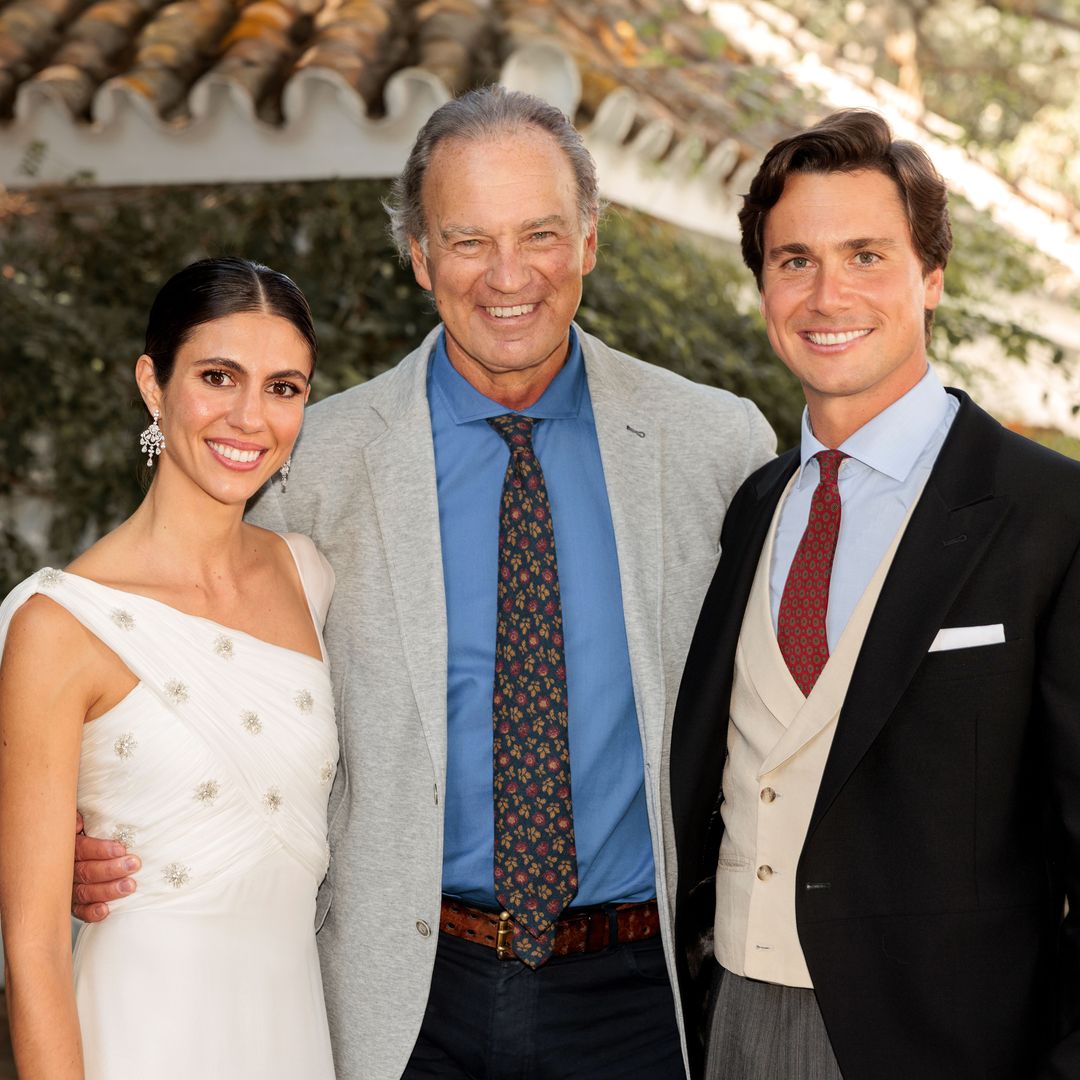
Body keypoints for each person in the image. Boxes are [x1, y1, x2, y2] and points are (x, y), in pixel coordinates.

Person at [72, 87, 775, 1078]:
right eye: (468, 240)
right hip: (402, 1000)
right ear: (419, 258)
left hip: (637, 998)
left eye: (539, 234)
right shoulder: (312, 466)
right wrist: (79, 820)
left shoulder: (718, 445)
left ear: (588, 243)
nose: (509, 275)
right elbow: (179, 661)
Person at [669, 108, 1080, 1079]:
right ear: (764, 286)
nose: (827, 293)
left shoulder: (1050, 515)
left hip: (949, 1047)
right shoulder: (755, 507)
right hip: (727, 1021)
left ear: (930, 277)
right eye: (794, 260)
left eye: (865, 254)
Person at [0, 257, 338, 1079]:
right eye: (218, 376)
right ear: (153, 383)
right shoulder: (57, 623)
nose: (250, 418)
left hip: (293, 1031)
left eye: (284, 387)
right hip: (138, 1034)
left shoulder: (308, 576)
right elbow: (33, 949)